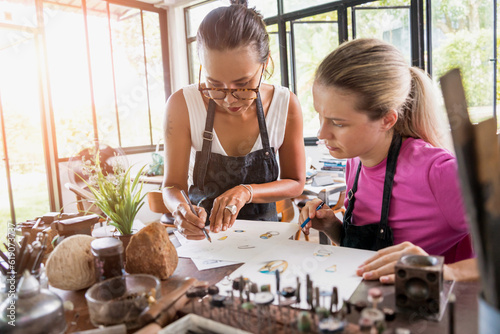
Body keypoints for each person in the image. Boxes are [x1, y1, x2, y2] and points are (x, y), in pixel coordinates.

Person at [300, 38, 474, 268]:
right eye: (320, 116)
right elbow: (367, 254)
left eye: (338, 123)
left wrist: (431, 267)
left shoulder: (439, 173)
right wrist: (332, 226)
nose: (322, 133)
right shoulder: (355, 161)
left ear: (387, 120)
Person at [162, 0, 305, 240]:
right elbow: (171, 186)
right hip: (204, 240)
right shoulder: (182, 105)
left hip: (265, 239)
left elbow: (295, 183)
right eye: (214, 85)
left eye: (243, 84)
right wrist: (180, 210)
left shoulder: (286, 104)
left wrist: (246, 192)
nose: (229, 100)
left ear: (265, 63)